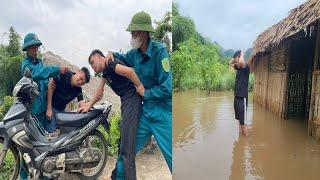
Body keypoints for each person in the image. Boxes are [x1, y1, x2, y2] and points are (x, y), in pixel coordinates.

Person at [105, 11, 172, 180]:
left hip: (163, 113)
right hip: (146, 113)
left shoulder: (159, 52)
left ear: (144, 33)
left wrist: (145, 92)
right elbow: (121, 58)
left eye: (134, 32)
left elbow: (168, 88)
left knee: (174, 158)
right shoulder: (134, 55)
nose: (132, 36)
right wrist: (111, 53)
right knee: (126, 151)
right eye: (131, 33)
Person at [78, 49, 144, 180]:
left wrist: (140, 87)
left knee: (127, 149)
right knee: (123, 144)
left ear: (100, 57)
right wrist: (89, 105)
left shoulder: (110, 65)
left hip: (132, 101)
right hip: (126, 102)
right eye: (90, 65)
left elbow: (130, 72)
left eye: (93, 62)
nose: (92, 66)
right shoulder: (106, 72)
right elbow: (99, 90)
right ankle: (114, 176)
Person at [20, 33, 68, 179]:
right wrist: (56, 69)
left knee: (42, 144)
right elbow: (39, 74)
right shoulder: (26, 65)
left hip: (42, 112)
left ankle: (44, 173)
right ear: (27, 49)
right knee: (27, 145)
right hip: (30, 113)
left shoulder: (40, 62)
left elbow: (46, 84)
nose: (35, 49)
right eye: (32, 47)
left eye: (37, 46)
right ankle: (23, 175)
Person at [46, 67, 91, 137]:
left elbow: (82, 104)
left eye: (82, 83)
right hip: (51, 106)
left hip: (61, 111)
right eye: (80, 78)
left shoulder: (78, 89)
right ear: (77, 72)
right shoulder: (64, 75)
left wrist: (93, 101)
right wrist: (49, 108)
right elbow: (50, 86)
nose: (80, 82)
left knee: (63, 134)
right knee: (49, 133)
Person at [229, 50, 255, 136]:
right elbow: (230, 63)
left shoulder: (245, 67)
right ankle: (241, 138)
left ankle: (245, 143)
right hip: (236, 97)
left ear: (240, 57)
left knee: (243, 122)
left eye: (236, 58)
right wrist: (234, 58)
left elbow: (240, 61)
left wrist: (242, 53)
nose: (236, 61)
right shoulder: (238, 68)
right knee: (239, 120)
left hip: (242, 98)